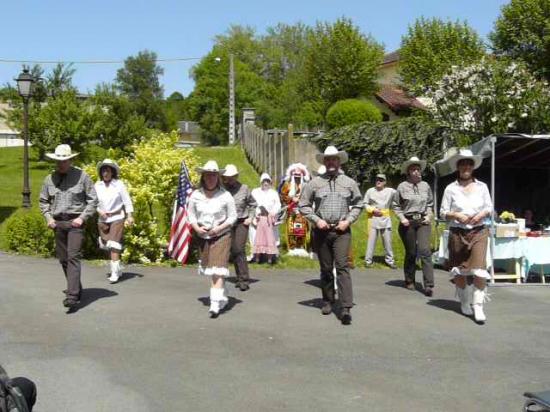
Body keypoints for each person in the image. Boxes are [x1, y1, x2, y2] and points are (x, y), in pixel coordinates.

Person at [299, 146, 363, 325]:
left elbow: (358, 204)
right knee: (326, 268)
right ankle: (327, 300)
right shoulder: (314, 183)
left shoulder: (349, 182)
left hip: (342, 231)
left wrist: (348, 221)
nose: (331, 163)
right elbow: (303, 205)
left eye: (334, 159)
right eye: (328, 160)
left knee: (342, 266)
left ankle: (345, 307)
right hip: (321, 231)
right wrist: (315, 220)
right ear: (324, 163)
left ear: (339, 161)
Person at [39, 144, 97, 310]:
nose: (61, 164)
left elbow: (93, 200)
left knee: (73, 257)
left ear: (71, 160)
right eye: (58, 161)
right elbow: (43, 201)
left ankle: (72, 296)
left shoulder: (82, 177)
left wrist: (82, 218)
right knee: (64, 259)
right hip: (58, 223)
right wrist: (49, 218)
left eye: (64, 161)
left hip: (75, 223)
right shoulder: (49, 179)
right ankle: (76, 287)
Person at [440, 149, 493, 324]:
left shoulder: (482, 186)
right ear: (458, 167)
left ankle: (478, 306)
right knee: (460, 270)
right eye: (462, 163)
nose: (466, 167)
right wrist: (456, 215)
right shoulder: (450, 188)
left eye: (469, 163)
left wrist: (481, 214)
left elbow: (489, 207)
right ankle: (464, 302)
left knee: (479, 269)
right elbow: (442, 212)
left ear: (473, 167)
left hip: (479, 231)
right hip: (457, 233)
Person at [188, 160, 237, 318]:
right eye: (208, 175)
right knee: (211, 270)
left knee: (217, 269)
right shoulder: (196, 195)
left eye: (214, 175)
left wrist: (219, 228)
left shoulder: (225, 195)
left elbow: (232, 217)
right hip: (203, 236)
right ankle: (221, 292)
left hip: (221, 235)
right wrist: (196, 228)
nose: (211, 178)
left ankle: (214, 305)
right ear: (203, 177)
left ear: (218, 177)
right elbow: (191, 215)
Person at [393, 156, 435, 296]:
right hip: (408, 221)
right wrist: (402, 218)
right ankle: (409, 279)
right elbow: (395, 205)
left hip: (423, 221)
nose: (417, 172)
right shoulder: (402, 186)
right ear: (408, 172)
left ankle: (428, 284)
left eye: (418, 169)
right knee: (411, 252)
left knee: (424, 250)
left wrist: (429, 216)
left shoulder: (425, 186)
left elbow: (429, 203)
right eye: (414, 169)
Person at [94, 159, 134, 284]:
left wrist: (130, 216)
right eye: (103, 170)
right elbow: (93, 202)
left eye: (108, 170)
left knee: (114, 245)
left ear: (112, 172)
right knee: (107, 245)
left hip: (117, 218)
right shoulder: (97, 186)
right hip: (103, 219)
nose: (105, 173)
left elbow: (127, 201)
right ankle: (118, 268)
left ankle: (115, 273)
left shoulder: (119, 184)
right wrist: (99, 211)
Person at [221, 164, 257, 291]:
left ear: (236, 176)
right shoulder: (222, 189)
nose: (229, 180)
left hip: (242, 221)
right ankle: (238, 276)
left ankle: (243, 279)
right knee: (232, 249)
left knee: (239, 248)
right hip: (227, 223)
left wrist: (250, 218)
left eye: (232, 177)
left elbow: (253, 204)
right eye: (227, 177)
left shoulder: (244, 188)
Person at [363, 173, 397, 269]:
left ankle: (390, 261)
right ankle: (368, 261)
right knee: (371, 241)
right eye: (377, 179)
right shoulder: (370, 191)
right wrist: (372, 209)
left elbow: (401, 193)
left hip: (385, 218)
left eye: (381, 180)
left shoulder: (390, 191)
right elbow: (364, 203)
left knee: (387, 241)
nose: (378, 181)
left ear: (385, 182)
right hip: (373, 218)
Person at [279, 163, 311, 257]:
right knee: (291, 229)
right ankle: (292, 248)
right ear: (292, 176)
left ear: (302, 175)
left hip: (302, 212)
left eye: (299, 175)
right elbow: (283, 196)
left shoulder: (306, 186)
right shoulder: (287, 185)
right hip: (291, 211)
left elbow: (310, 197)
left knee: (302, 228)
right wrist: (291, 199)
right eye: (295, 175)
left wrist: (301, 200)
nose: (297, 177)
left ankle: (301, 247)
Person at [250, 173, 282, 264]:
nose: (266, 183)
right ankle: (256, 257)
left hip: (269, 219)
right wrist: (256, 213)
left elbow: (278, 205)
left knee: (270, 238)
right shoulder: (255, 192)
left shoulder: (274, 193)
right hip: (258, 218)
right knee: (257, 238)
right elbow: (252, 204)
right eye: (264, 181)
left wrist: (273, 212)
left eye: (268, 181)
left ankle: (270, 258)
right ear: (261, 182)